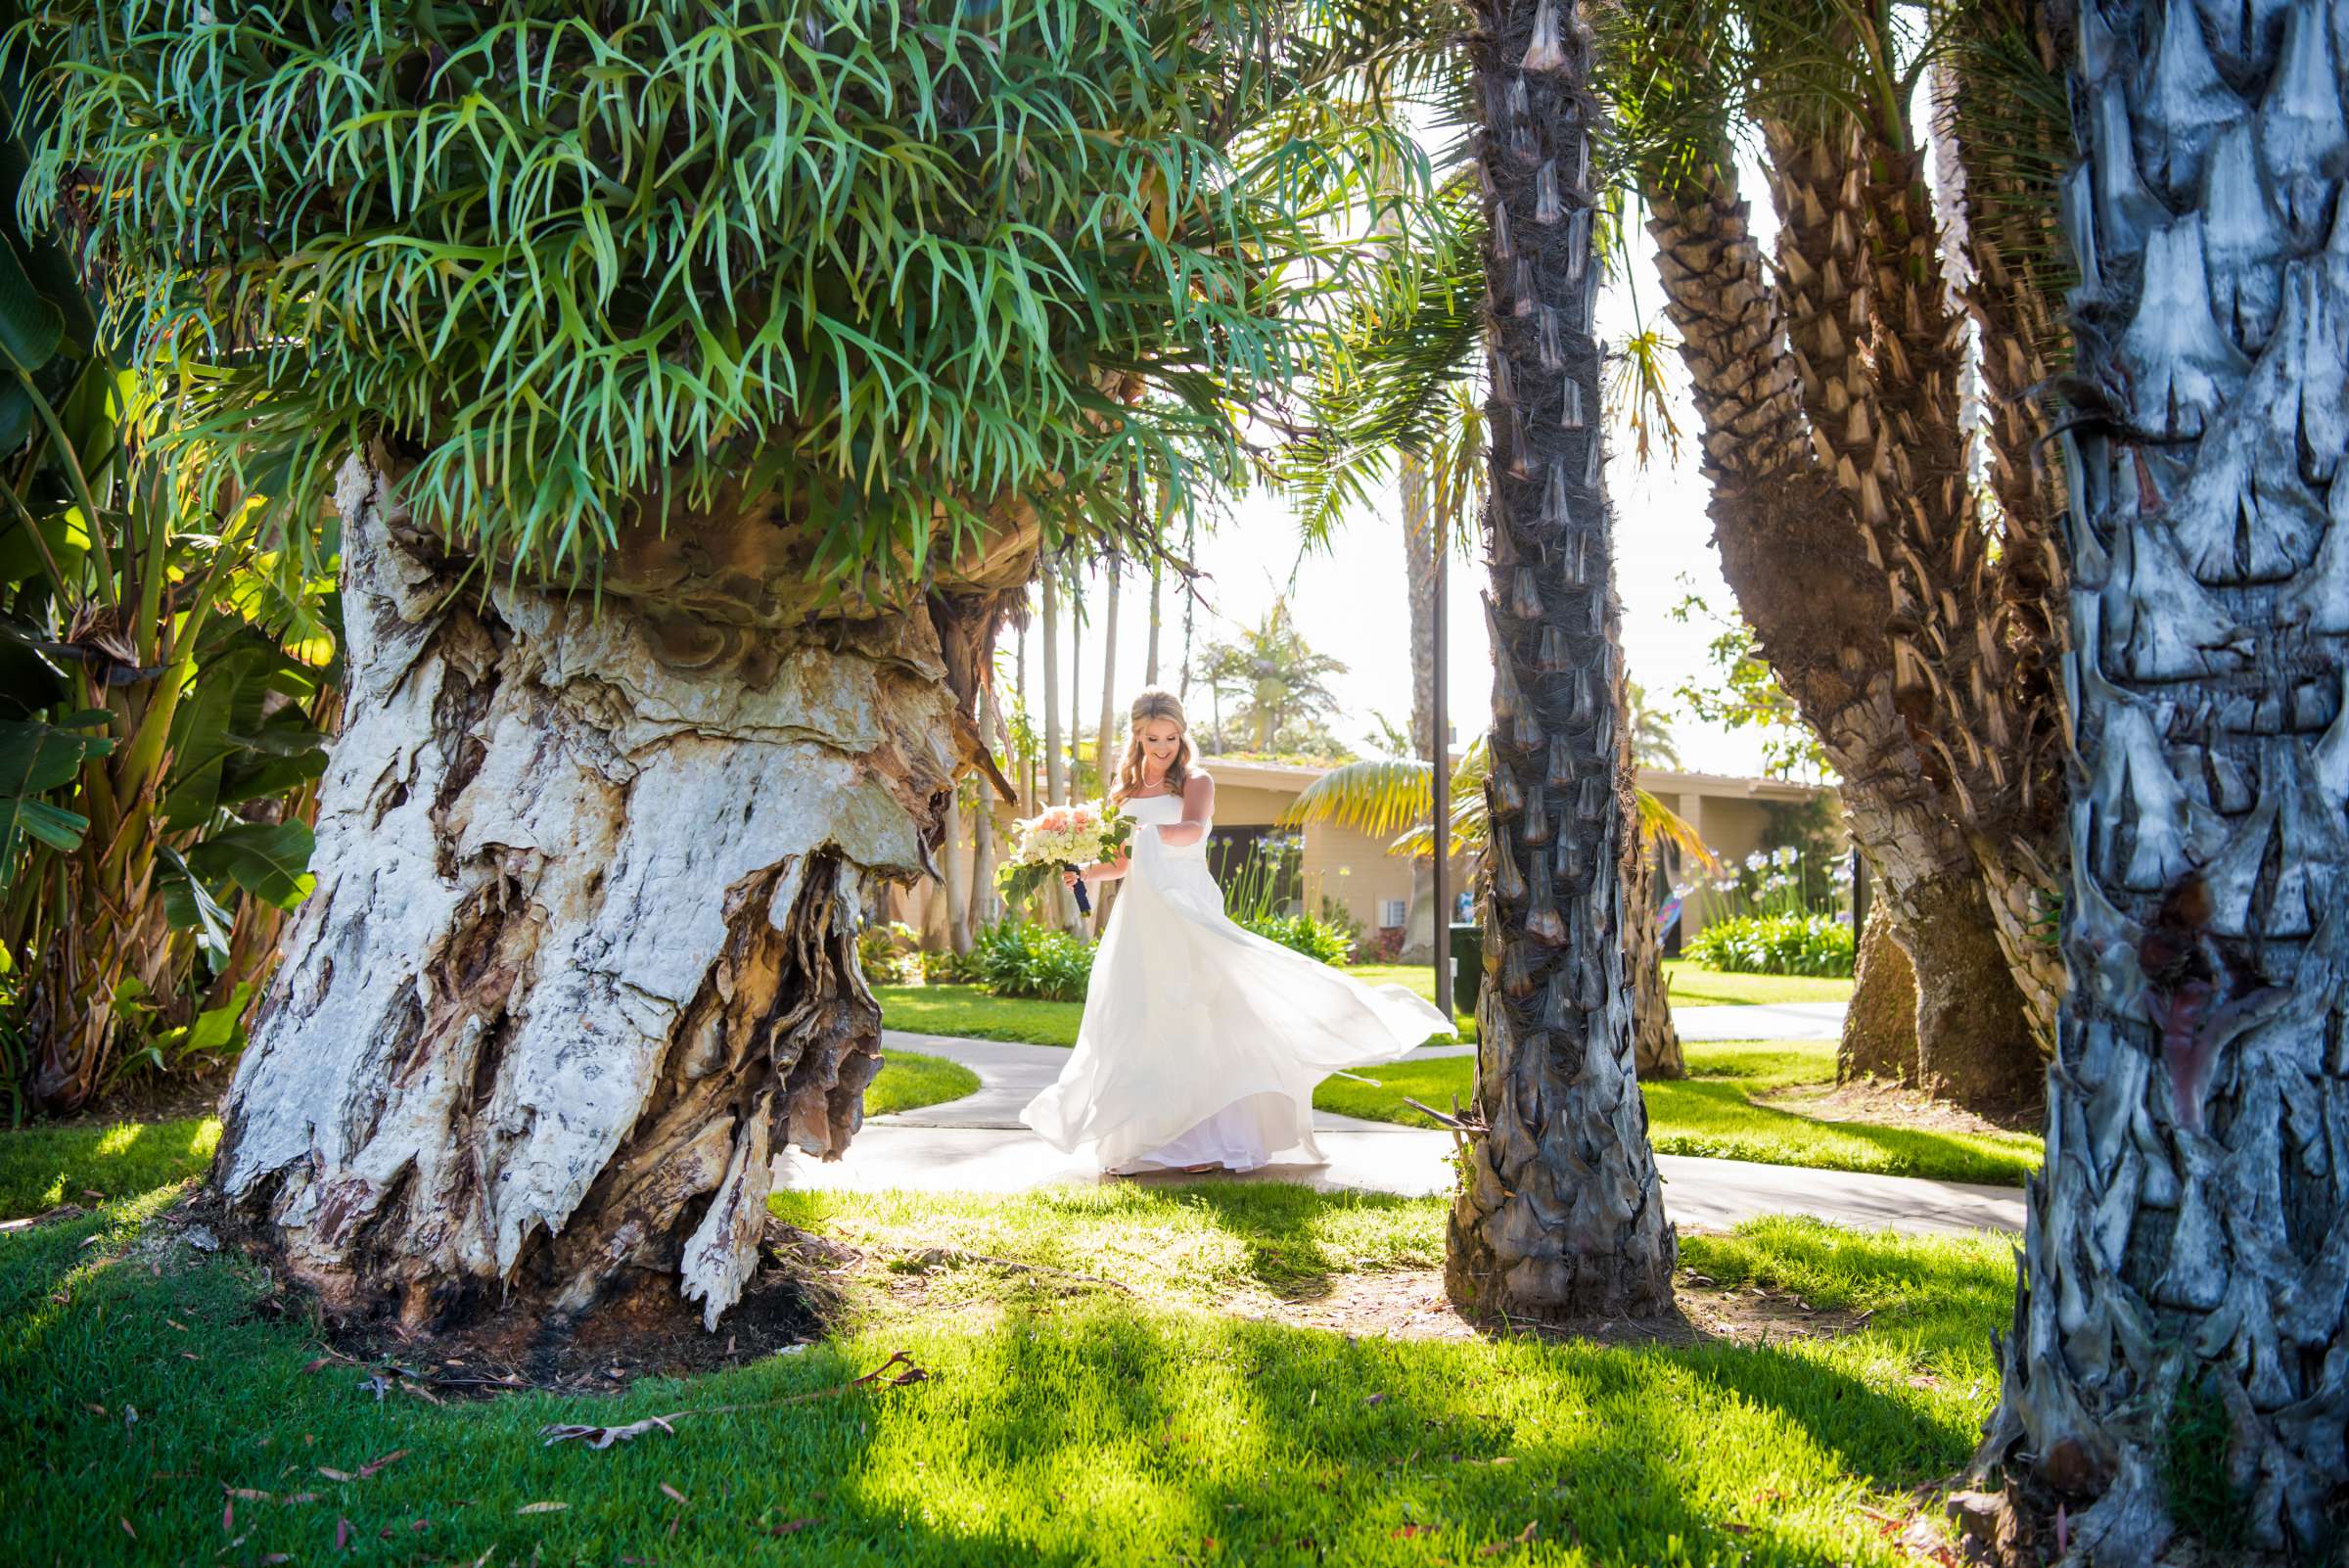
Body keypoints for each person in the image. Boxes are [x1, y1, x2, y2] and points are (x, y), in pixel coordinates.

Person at [1020, 688, 1452, 1176]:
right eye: (1152, 737)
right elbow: (1119, 863)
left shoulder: (1197, 782)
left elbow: (1192, 829)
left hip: (1185, 905)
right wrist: (1083, 869)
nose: (1163, 746)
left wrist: (1147, 836)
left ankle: (1201, 1142)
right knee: (1141, 1017)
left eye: (1171, 736)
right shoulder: (1124, 794)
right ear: (1137, 737)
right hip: (1141, 919)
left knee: (1197, 1017)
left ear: (1182, 735)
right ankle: (1141, 1142)